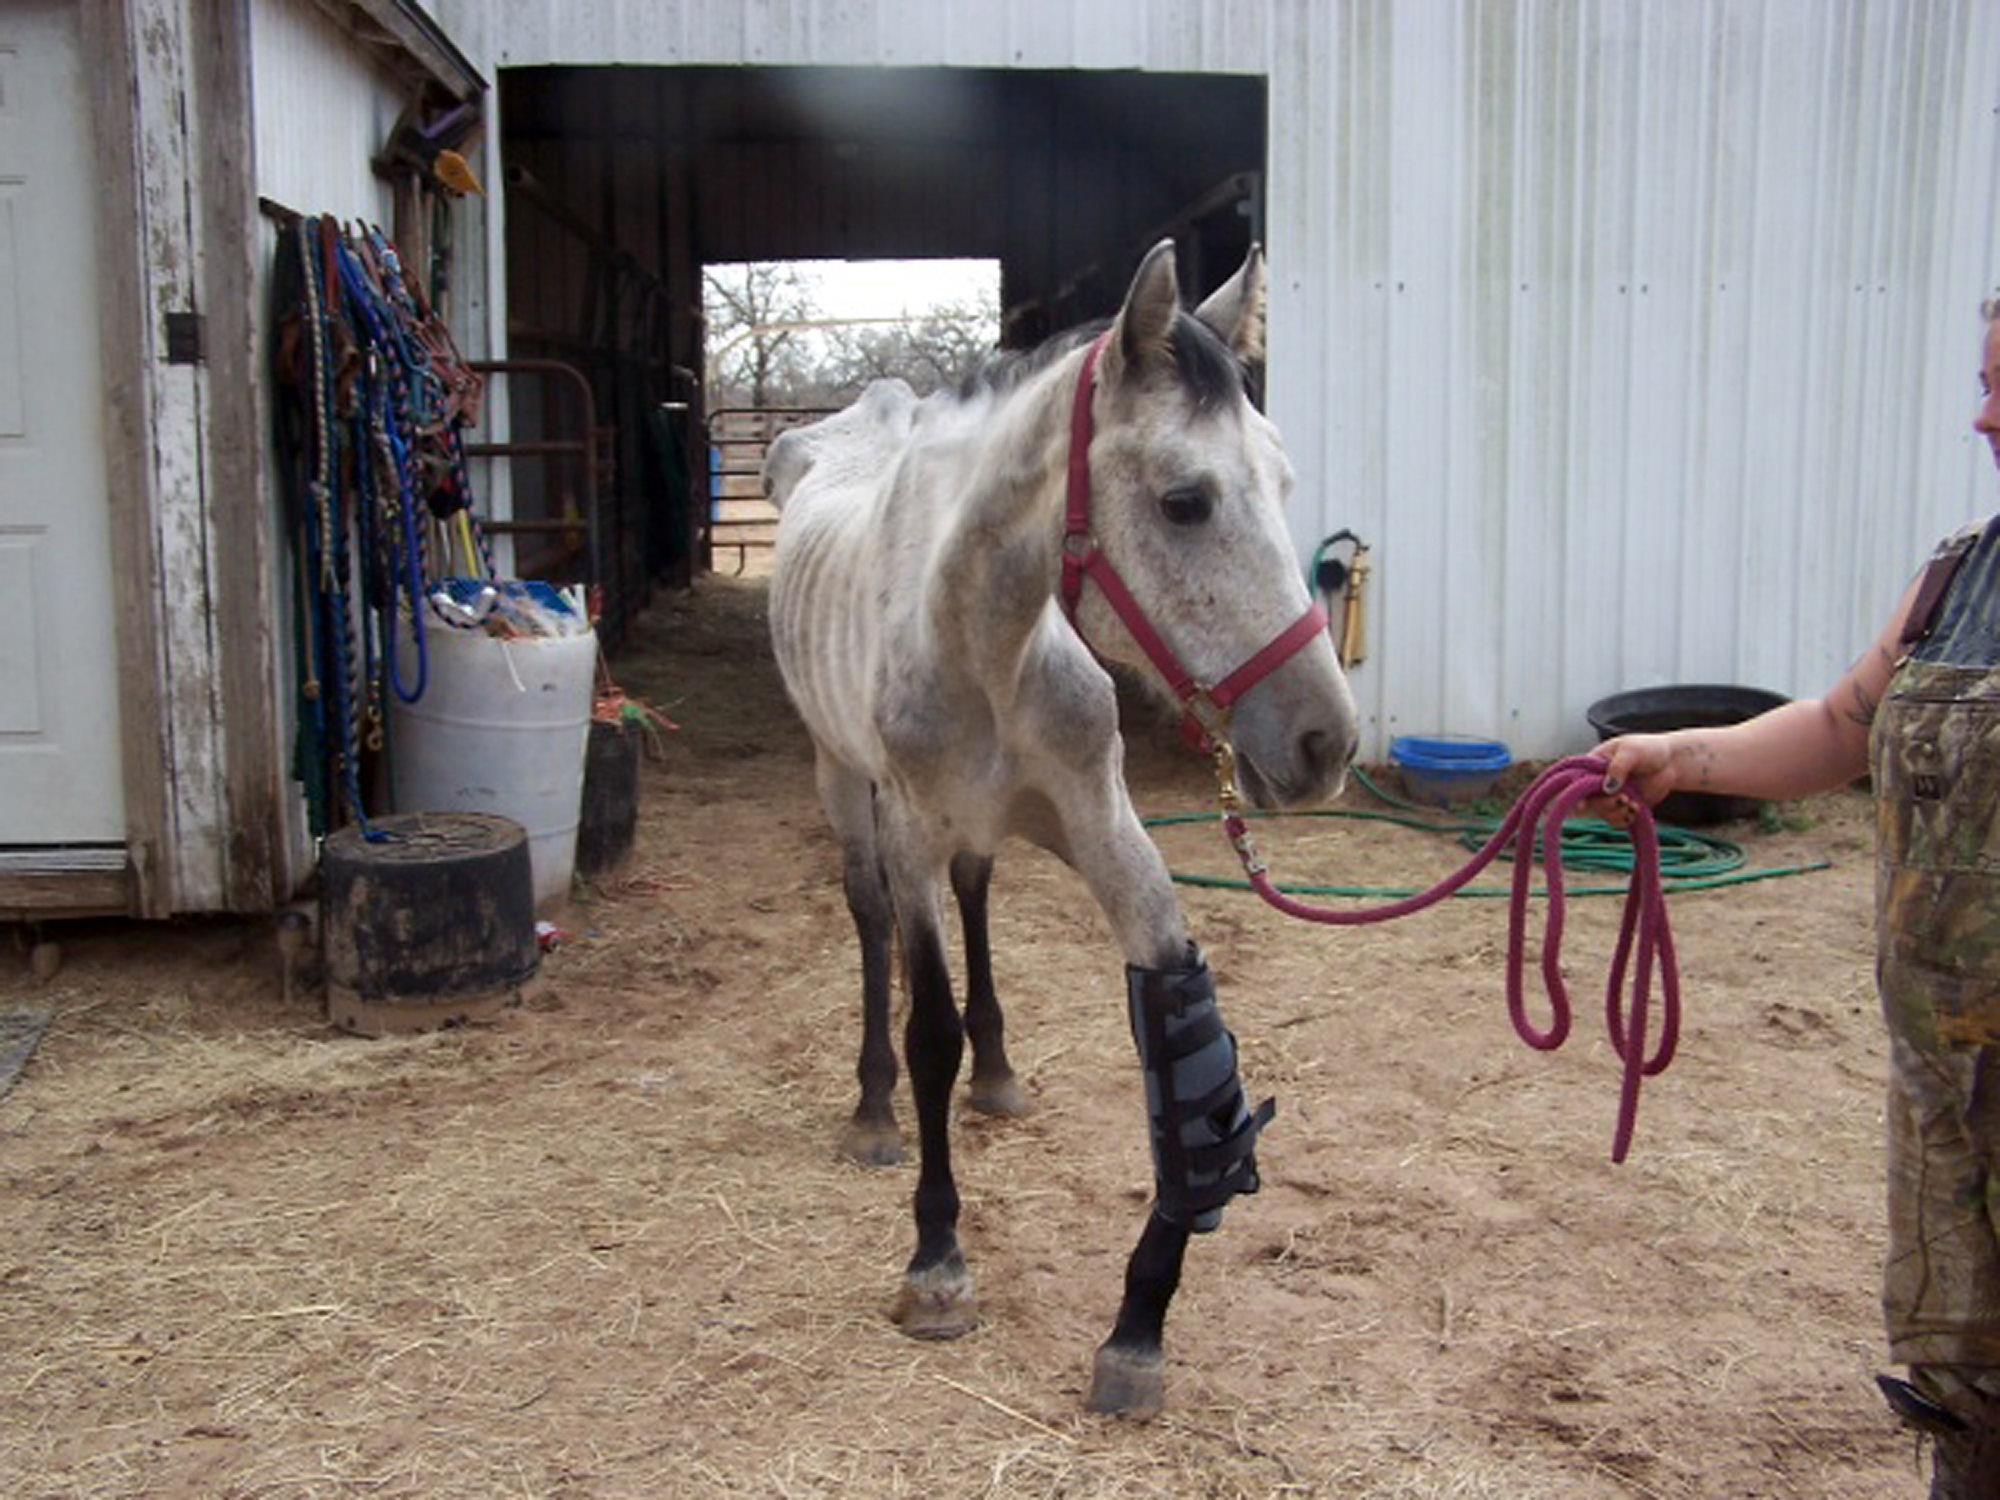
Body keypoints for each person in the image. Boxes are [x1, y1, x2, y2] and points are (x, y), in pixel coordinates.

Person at [1597, 296, 2000, 1497]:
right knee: (1964, 1379)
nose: (1978, 415)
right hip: (1947, 1084)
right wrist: (1684, 760)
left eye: (1999, 384)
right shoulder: (1956, 580)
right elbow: (1838, 727)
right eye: (1980, 379)